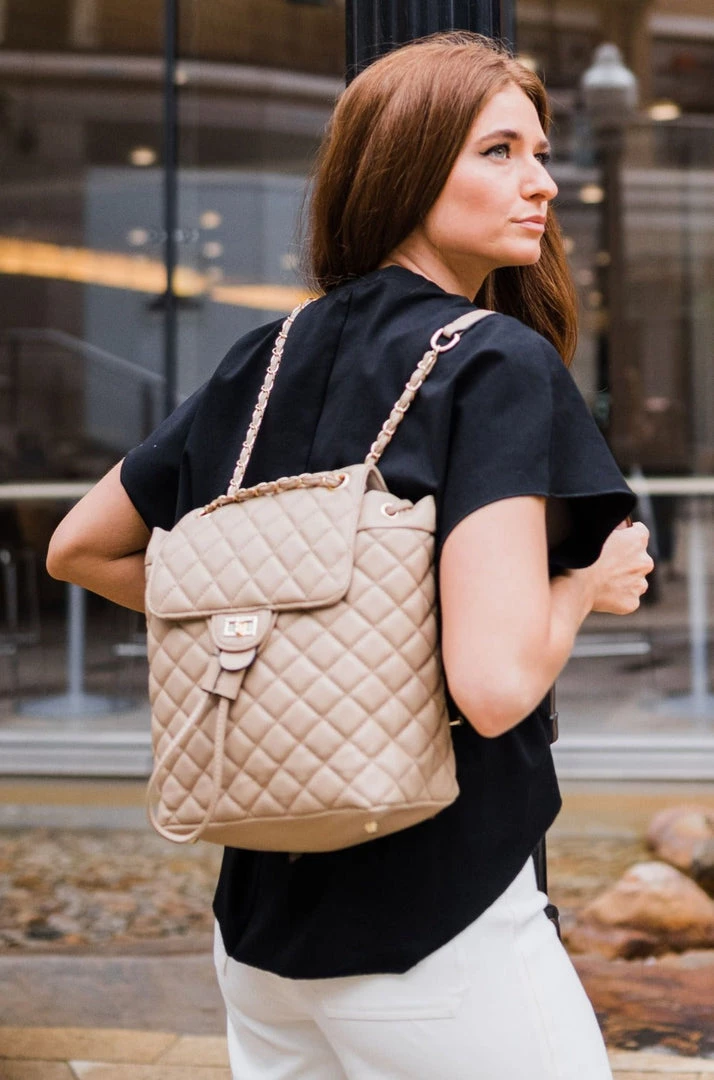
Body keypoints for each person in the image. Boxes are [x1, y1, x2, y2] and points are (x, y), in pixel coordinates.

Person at [47, 31, 653, 1080]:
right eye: (499, 151)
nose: (544, 184)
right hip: (440, 924)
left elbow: (81, 548)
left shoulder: (263, 356)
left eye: (541, 154)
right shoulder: (493, 363)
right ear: (406, 169)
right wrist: (580, 588)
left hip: (261, 934)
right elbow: (495, 688)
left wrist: (251, 617)